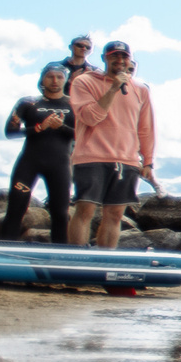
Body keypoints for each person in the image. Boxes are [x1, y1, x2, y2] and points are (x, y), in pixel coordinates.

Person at [70, 39, 157, 249]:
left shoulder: (140, 90)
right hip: (91, 156)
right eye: (114, 56)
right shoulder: (84, 82)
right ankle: (76, 260)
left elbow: (145, 128)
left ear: (130, 60)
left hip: (126, 160)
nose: (119, 60)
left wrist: (148, 161)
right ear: (104, 58)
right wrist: (113, 89)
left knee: (115, 214)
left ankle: (105, 261)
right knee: (85, 209)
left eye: (124, 56)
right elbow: (90, 117)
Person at [0, 64, 77, 243]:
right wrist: (39, 128)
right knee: (16, 209)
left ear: (65, 80)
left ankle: (59, 256)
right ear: (42, 79)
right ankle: (6, 252)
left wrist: (61, 127)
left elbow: (84, 135)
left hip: (60, 166)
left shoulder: (74, 104)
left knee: (60, 213)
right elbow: (10, 132)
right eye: (50, 76)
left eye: (59, 77)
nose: (55, 81)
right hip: (29, 164)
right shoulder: (28, 103)